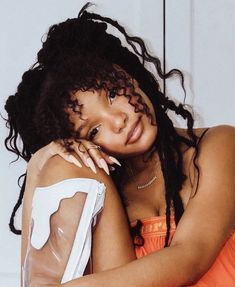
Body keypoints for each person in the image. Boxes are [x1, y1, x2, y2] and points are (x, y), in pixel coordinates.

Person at [4, 3, 235, 286]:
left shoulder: (217, 145)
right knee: (58, 165)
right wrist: (39, 165)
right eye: (94, 130)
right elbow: (38, 274)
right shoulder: (102, 195)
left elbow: (191, 256)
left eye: (112, 93)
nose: (119, 121)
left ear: (129, 74)